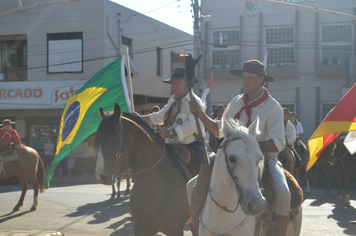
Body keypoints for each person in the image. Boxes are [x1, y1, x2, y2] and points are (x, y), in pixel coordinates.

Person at [189, 59, 291, 236]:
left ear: (261, 80)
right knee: (191, 185)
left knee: (283, 192)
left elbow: (278, 143)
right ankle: (198, 228)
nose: (245, 82)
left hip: (263, 159)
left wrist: (248, 146)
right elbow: (219, 130)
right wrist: (200, 114)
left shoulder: (273, 107)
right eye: (244, 77)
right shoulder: (235, 102)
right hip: (231, 157)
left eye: (250, 78)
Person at [134, 67, 207, 167]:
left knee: (201, 176)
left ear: (187, 84)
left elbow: (193, 125)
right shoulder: (172, 101)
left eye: (178, 83)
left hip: (192, 147)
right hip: (170, 147)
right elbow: (159, 117)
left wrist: (169, 133)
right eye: (173, 83)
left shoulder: (195, 102)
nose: (175, 86)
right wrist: (139, 118)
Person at [283, 108, 301, 178]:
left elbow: (293, 138)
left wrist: (286, 141)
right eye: (285, 115)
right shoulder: (276, 125)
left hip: (288, 146)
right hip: (277, 145)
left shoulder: (290, 126)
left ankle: (295, 179)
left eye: (288, 116)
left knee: (298, 160)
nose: (287, 117)